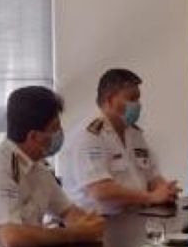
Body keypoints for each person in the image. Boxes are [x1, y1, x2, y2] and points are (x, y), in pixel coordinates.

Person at [0, 86, 105, 247]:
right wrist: (74, 234)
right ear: (33, 136)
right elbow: (12, 237)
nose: (59, 134)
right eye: (54, 129)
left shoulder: (38, 168)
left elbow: (67, 211)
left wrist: (89, 224)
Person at [61, 68, 180, 215]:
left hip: (135, 216)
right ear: (110, 100)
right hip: (98, 221)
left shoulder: (135, 133)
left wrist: (165, 190)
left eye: (138, 99)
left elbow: (152, 177)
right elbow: (101, 191)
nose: (138, 105)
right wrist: (151, 197)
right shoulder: (89, 136)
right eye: (132, 99)